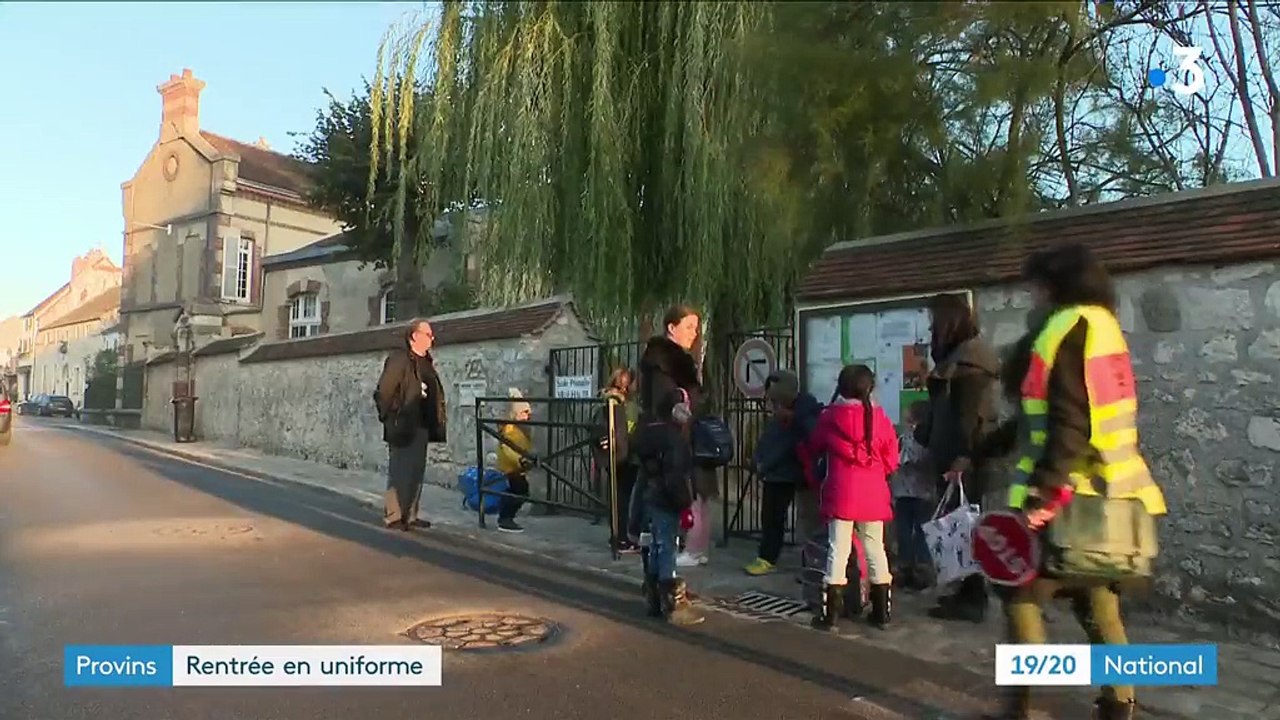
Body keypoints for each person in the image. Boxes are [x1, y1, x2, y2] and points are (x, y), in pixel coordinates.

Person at [984, 244, 1166, 720]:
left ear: (1054, 286)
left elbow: (1069, 421)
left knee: (1020, 595)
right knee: (1100, 605)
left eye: (1036, 287)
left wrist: (1044, 492)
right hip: (1112, 499)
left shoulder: (1065, 330)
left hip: (1067, 502)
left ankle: (1019, 708)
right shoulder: (1105, 329)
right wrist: (983, 449)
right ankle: (1118, 706)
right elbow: (1043, 416)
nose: (1032, 298)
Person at [916, 293, 1000, 623]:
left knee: (964, 527)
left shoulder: (969, 365)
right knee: (959, 527)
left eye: (933, 321)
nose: (930, 328)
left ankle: (972, 598)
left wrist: (962, 457)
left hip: (961, 460)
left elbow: (971, 416)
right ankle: (965, 594)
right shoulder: (958, 358)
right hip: (953, 455)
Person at [807, 364, 899, 631]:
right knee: (875, 549)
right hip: (873, 494)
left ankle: (830, 615)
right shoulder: (880, 418)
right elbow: (892, 461)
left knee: (838, 550)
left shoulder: (831, 417)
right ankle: (882, 613)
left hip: (842, 494)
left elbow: (814, 445)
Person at [637, 304, 714, 568]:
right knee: (663, 515)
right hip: (666, 446)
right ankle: (664, 581)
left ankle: (661, 578)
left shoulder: (675, 361)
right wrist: (682, 407)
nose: (694, 333)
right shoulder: (663, 361)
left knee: (663, 517)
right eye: (689, 327)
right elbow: (665, 402)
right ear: (672, 327)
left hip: (673, 442)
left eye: (696, 327)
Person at [633, 387, 704, 626]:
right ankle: (671, 602)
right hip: (667, 499)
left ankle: (653, 597)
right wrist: (684, 503)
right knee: (667, 548)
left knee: (656, 545)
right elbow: (676, 475)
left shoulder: (649, 432)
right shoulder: (674, 438)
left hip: (652, 496)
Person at [744, 369, 821, 576]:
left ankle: (812, 563)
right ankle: (768, 557)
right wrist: (758, 458)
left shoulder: (805, 410)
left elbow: (802, 437)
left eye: (775, 398)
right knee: (771, 517)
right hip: (776, 472)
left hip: (794, 471)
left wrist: (794, 419)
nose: (773, 404)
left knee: (807, 519)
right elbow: (770, 439)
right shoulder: (779, 411)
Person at [374, 319, 446, 531]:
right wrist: (391, 415)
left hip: (423, 423)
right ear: (414, 336)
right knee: (399, 470)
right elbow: (384, 391)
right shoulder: (399, 359)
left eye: (431, 335)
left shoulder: (427, 363)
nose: (432, 339)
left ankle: (411, 515)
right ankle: (394, 516)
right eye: (427, 334)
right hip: (402, 422)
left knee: (416, 470)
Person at [595, 367, 639, 552]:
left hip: (618, 453)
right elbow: (627, 429)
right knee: (622, 497)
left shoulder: (605, 401)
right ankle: (620, 538)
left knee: (618, 496)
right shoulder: (621, 404)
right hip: (625, 455)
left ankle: (618, 536)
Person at [891, 400, 933, 591]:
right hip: (914, 491)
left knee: (914, 533)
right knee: (910, 532)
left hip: (913, 491)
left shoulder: (915, 436)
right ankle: (911, 569)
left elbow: (905, 458)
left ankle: (914, 570)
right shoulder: (924, 436)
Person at [494, 389, 534, 533]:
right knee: (520, 491)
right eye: (524, 413)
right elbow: (508, 448)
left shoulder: (519, 428)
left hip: (518, 466)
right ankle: (505, 518)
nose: (527, 416)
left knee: (518, 491)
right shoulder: (509, 429)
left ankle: (505, 517)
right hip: (512, 467)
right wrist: (520, 460)